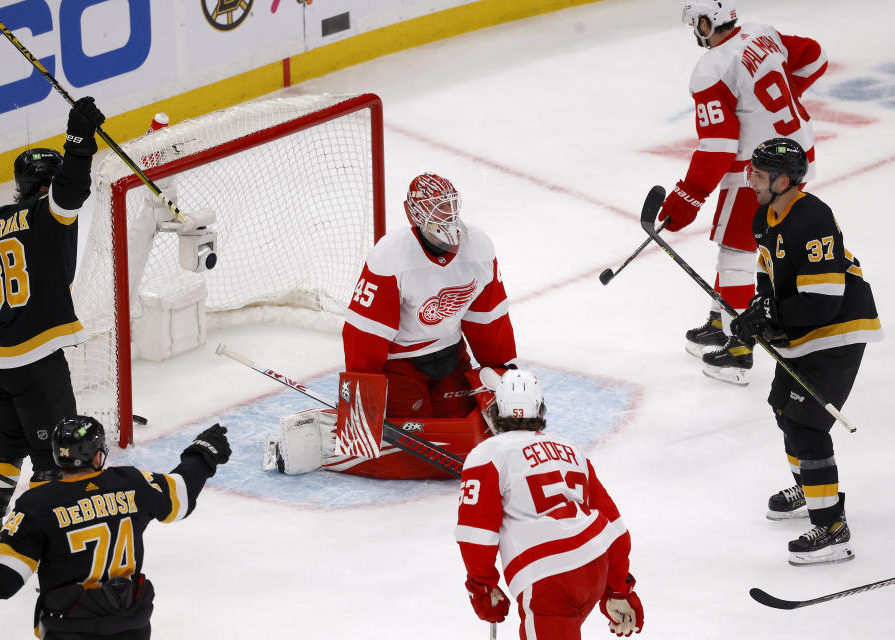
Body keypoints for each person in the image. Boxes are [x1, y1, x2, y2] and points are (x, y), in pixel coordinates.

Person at [0, 97, 106, 551]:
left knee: (8, 439)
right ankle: (40, 539)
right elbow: (72, 190)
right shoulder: (47, 215)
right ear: (47, 185)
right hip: (35, 360)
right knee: (53, 454)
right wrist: (79, 141)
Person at [0, 416, 231, 639]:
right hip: (130, 625)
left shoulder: (38, 505)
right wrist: (202, 453)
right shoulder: (132, 483)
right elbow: (182, 491)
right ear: (98, 455)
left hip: (70, 628)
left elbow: (1, 579)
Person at [658, 0, 827, 385]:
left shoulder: (710, 68)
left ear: (707, 22)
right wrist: (774, 112)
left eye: (696, 23)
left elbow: (718, 145)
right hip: (798, 152)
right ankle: (721, 321)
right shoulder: (762, 32)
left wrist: (687, 196)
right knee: (749, 244)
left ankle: (738, 349)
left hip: (759, 170)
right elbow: (815, 57)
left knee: (736, 251)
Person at [732, 138, 882, 565]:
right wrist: (758, 312)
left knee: (806, 425)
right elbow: (769, 275)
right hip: (805, 326)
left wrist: (772, 320)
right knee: (783, 407)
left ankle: (833, 528)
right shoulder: (766, 215)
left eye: (759, 175)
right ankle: (814, 488)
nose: (751, 181)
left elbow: (823, 299)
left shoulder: (812, 219)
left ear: (783, 180)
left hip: (838, 329)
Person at [455, 370, 643, 639]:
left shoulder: (488, 453)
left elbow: (476, 534)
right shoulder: (571, 450)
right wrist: (618, 588)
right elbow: (613, 524)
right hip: (594, 565)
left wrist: (483, 586)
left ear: (495, 411)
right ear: (539, 409)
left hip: (548, 578)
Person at [342, 172, 517, 419]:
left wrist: (502, 370)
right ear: (415, 213)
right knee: (415, 444)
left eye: (449, 205)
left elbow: (488, 319)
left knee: (469, 427)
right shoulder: (391, 255)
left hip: (452, 358)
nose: (447, 214)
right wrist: (361, 397)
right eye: (437, 208)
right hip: (400, 365)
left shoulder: (478, 247)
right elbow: (365, 334)